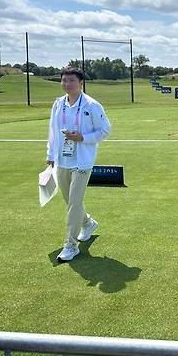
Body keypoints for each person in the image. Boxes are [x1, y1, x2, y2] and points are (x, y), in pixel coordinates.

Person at [46, 67, 111, 262]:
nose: (67, 84)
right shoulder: (58, 104)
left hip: (82, 161)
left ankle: (71, 245)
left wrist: (83, 137)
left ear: (80, 83)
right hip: (62, 160)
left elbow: (105, 130)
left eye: (71, 80)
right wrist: (50, 154)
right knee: (70, 201)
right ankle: (88, 223)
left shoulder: (91, 105)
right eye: (64, 80)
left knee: (74, 203)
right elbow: (52, 130)